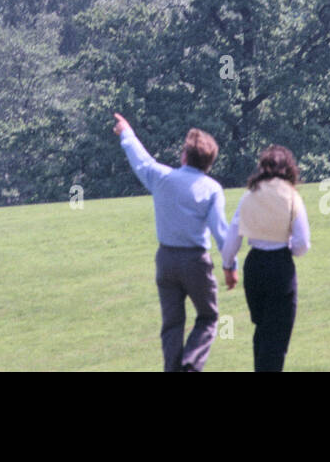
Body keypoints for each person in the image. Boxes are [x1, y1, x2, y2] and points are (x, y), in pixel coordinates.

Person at [113, 112, 229, 372]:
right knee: (208, 317)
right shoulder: (211, 189)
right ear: (209, 163)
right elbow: (220, 231)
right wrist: (230, 265)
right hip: (196, 261)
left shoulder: (162, 178)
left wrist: (127, 133)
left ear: (184, 156)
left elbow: (141, 161)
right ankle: (190, 365)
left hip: (165, 259)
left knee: (172, 324)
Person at [220, 146, 310, 372]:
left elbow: (232, 237)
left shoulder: (249, 195)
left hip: (254, 267)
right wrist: (289, 249)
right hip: (280, 266)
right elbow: (302, 243)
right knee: (277, 337)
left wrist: (227, 265)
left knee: (262, 331)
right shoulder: (292, 196)